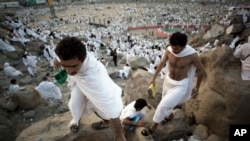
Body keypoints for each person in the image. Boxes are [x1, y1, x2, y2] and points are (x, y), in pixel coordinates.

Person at [54, 37, 126, 141]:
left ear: (82, 59)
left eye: (73, 66)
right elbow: (57, 56)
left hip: (91, 80)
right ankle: (76, 120)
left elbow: (111, 109)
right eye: (65, 66)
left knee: (102, 111)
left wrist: (119, 134)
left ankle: (106, 122)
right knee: (74, 104)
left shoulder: (93, 79)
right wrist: (56, 61)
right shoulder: (67, 56)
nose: (69, 71)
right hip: (78, 80)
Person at [141, 32, 205, 135]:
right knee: (166, 102)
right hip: (168, 81)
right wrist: (153, 78)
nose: (173, 50)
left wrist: (196, 88)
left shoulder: (192, 55)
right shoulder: (169, 50)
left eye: (176, 48)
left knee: (163, 105)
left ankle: (153, 126)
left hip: (181, 85)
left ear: (183, 46)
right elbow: (161, 63)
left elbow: (201, 70)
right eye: (172, 47)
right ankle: (170, 116)